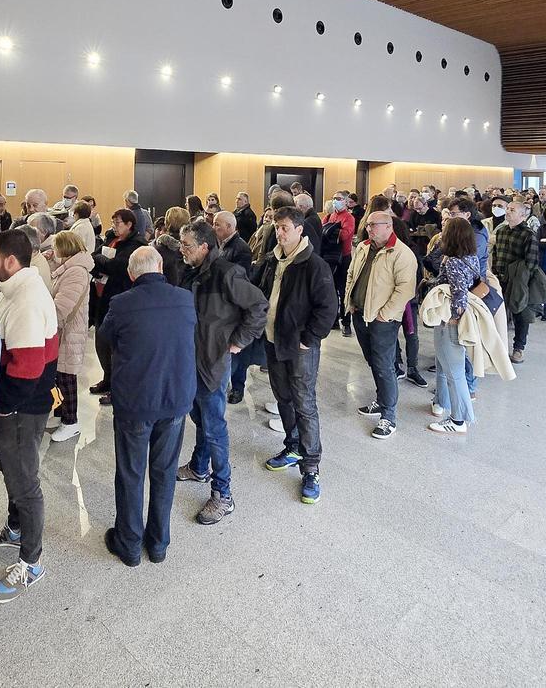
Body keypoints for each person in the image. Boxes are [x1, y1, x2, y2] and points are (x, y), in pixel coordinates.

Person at [99, 247, 196, 566]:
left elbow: (105, 338)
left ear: (130, 275)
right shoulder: (184, 298)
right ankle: (158, 544)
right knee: (165, 471)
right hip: (175, 399)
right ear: (160, 268)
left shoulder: (121, 303)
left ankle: (128, 544)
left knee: (130, 471)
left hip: (135, 402)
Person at [0, 229, 58, 603]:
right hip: (14, 403)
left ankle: (32, 561)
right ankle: (15, 527)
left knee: (25, 480)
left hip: (22, 407)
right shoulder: (12, 290)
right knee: (11, 468)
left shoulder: (25, 299)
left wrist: (2, 407)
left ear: (11, 261)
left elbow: (26, 370)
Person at [174, 220, 267, 524]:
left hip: (214, 360)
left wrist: (239, 340)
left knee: (214, 426)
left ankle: (223, 494)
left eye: (186, 244)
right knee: (198, 416)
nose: (181, 249)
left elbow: (259, 306)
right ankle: (200, 467)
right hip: (192, 358)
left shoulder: (227, 273)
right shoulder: (190, 271)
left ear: (204, 246)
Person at [257, 206, 337, 504]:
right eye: (276, 227)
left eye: (285, 228)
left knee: (304, 402)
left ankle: (311, 466)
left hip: (300, 346)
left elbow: (328, 308)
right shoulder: (272, 260)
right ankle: (292, 446)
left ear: (300, 230)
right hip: (273, 340)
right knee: (284, 398)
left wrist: (309, 338)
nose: (279, 232)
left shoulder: (314, 265)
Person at [344, 211, 418, 440]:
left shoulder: (401, 253)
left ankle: (389, 416)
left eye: (374, 225)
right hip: (360, 314)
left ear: (389, 226)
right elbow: (351, 274)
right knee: (373, 362)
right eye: (367, 225)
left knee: (385, 366)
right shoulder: (364, 248)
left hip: (382, 320)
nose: (369, 229)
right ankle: (382, 400)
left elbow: (405, 289)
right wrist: (350, 301)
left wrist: (384, 315)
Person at [423, 218, 483, 433]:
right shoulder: (470, 257)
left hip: (450, 318)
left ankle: (459, 419)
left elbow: (459, 292)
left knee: (454, 370)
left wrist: (454, 317)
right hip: (452, 317)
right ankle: (442, 402)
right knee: (442, 362)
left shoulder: (453, 261)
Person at [89, 209, 148, 402]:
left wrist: (103, 261)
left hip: (120, 296)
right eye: (113, 222)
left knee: (117, 347)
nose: (114, 226)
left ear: (129, 224)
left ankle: (118, 387)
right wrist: (103, 261)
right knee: (101, 341)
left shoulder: (137, 244)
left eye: (118, 223)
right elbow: (95, 257)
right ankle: (107, 378)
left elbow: (120, 267)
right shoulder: (111, 239)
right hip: (102, 296)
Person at [46, 231, 93, 443]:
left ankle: (70, 422)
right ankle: (61, 416)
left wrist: (47, 324)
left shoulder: (76, 272)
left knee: (66, 376)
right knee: (60, 374)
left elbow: (62, 307)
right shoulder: (71, 267)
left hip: (69, 331)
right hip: (66, 330)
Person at [491, 201, 543, 364]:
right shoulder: (502, 231)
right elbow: (497, 254)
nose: (507, 212)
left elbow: (532, 262)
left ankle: (518, 348)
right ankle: (497, 348)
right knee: (498, 313)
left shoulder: (528, 234)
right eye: (507, 209)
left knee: (520, 314)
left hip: (518, 280)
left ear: (522, 215)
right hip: (500, 278)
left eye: (512, 210)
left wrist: (523, 280)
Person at [323, 192, 357, 335]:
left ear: (345, 201)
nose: (335, 201)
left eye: (339, 199)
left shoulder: (349, 217)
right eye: (334, 198)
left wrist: (331, 230)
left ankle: (346, 322)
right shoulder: (331, 216)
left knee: (344, 291)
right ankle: (334, 319)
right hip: (331, 256)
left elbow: (344, 234)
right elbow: (322, 229)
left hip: (344, 257)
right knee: (332, 290)